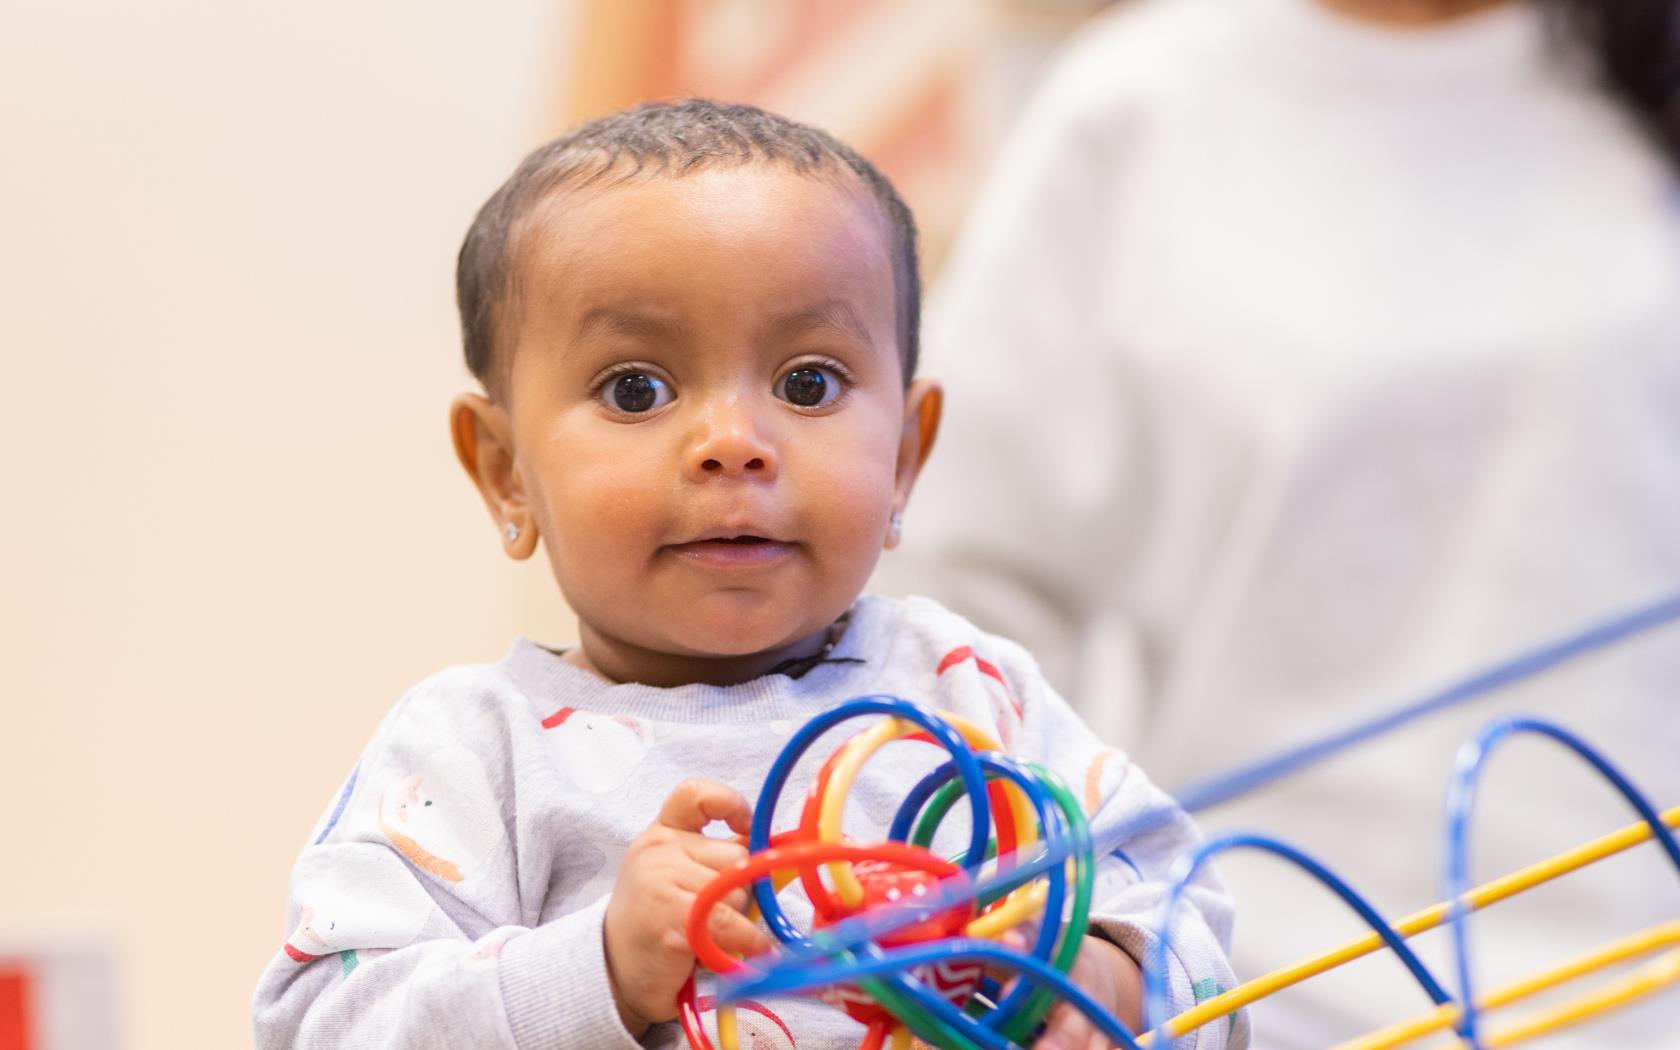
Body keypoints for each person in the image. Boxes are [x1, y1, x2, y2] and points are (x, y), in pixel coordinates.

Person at [250, 100, 1248, 1050]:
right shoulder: (473, 754)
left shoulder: (973, 690)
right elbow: (321, 1026)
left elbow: (1191, 922)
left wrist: (1106, 979)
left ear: (904, 456)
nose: (734, 443)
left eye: (807, 383)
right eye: (635, 390)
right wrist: (595, 967)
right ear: (507, 473)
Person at [873, 0, 1680, 1045]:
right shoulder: (1141, 112)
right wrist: (1084, 948)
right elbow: (948, 605)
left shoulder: (1642, 62)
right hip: (1262, 1001)